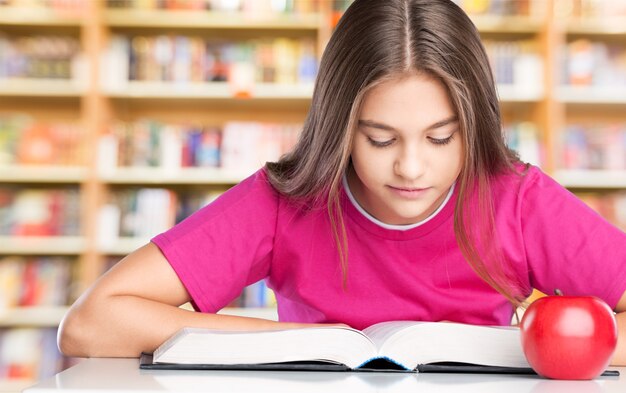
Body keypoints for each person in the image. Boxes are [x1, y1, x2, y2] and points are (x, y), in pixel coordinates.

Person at [58, 0, 626, 364]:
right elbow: (89, 325)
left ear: (475, 125)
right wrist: (300, 344)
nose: (410, 168)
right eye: (380, 138)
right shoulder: (286, 202)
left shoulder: (516, 199)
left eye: (440, 138)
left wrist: (540, 350)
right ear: (340, 128)